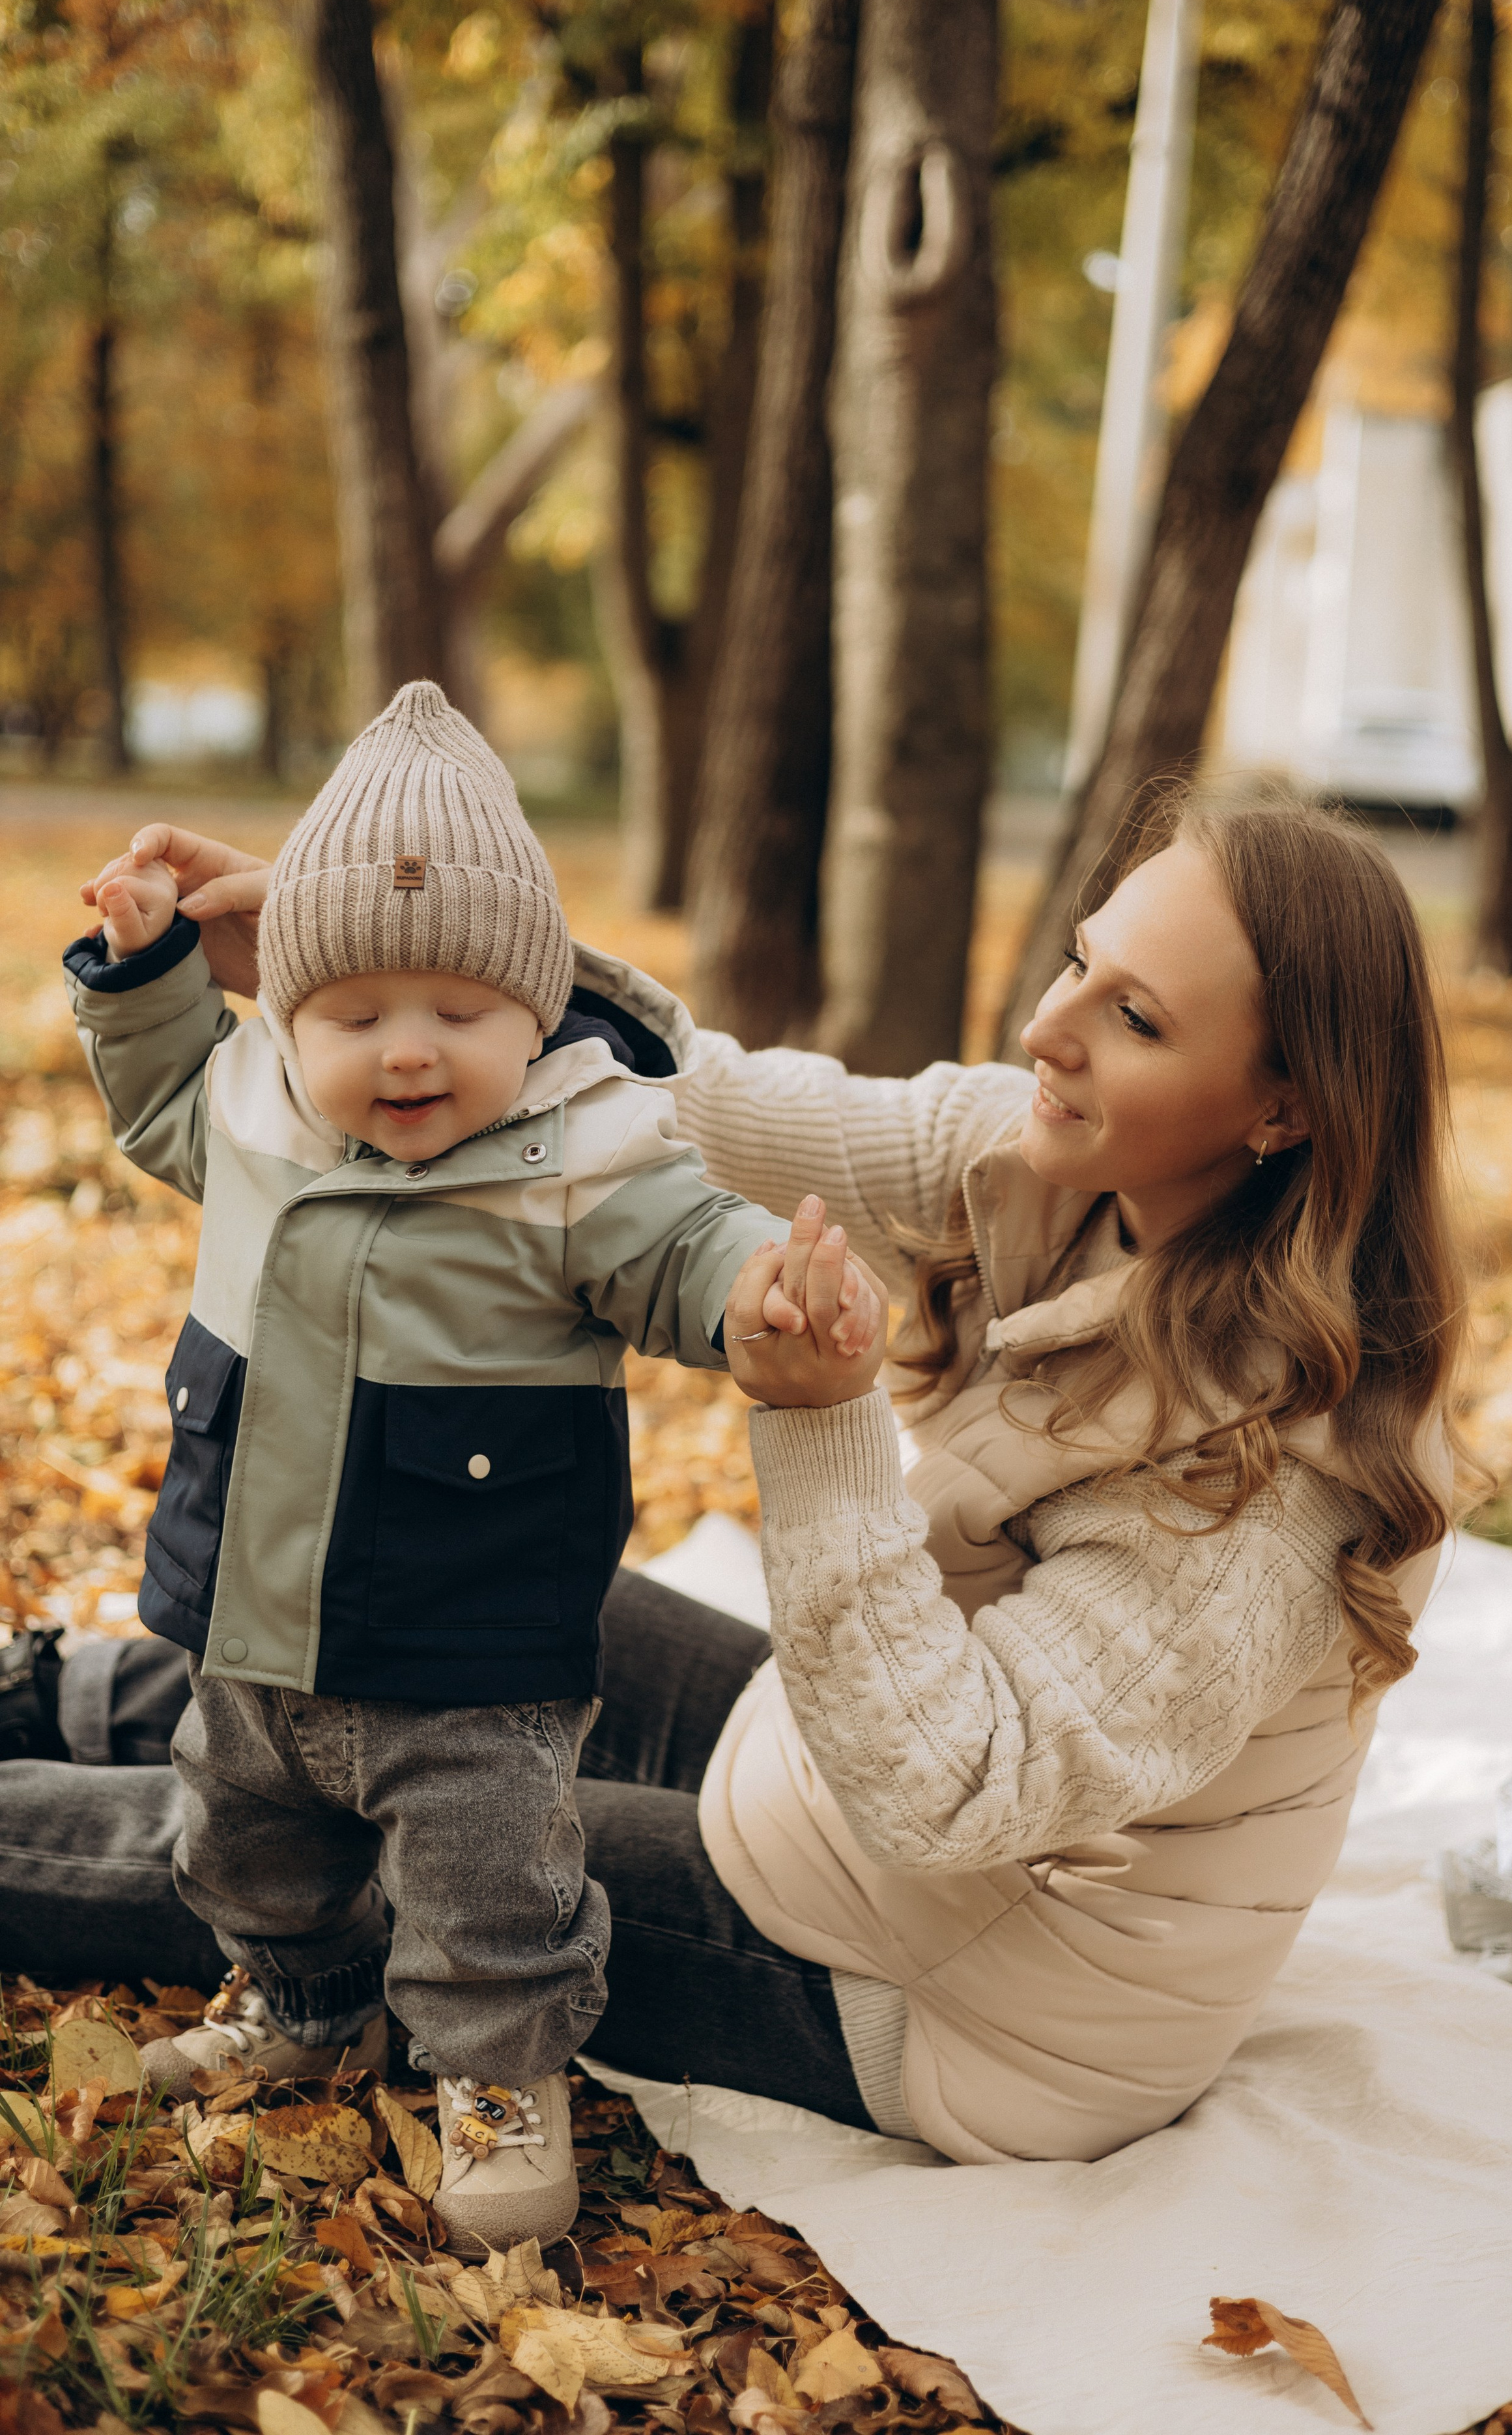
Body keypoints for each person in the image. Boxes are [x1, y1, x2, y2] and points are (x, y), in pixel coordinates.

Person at [0, 798, 1464, 2171]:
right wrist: (407, 963)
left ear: (1282, 1110)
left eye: (1130, 1017)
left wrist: (819, 1428)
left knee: (428, 1860)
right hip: (848, 1768)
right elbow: (700, 1105)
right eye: (1080, 960)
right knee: (425, 1601)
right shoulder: (1063, 1160)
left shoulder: (1268, 1490)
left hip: (960, 1990)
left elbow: (950, 1797)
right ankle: (46, 1685)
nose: (1045, 1027)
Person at [50, 681, 879, 2251]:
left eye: (462, 1013)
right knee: (241, 1834)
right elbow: (160, 1096)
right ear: (292, 1013)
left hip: (473, 1647)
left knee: (493, 1881)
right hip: (259, 1615)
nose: (407, 1053)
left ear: (539, 1011)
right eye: (355, 1015)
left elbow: (687, 1245)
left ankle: (499, 2079)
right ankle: (301, 2004)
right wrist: (151, 965)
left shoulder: (583, 1155)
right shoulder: (254, 1106)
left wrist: (765, 1284)